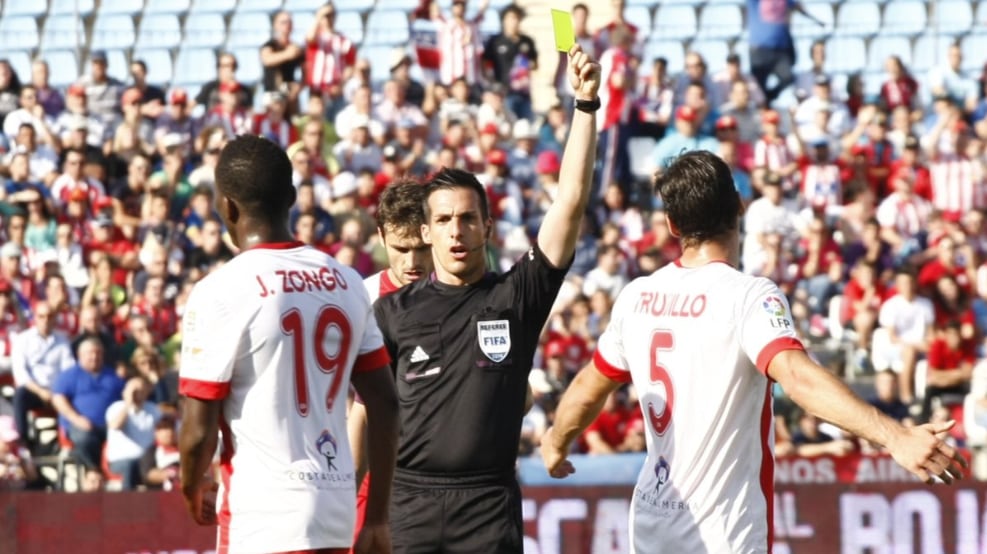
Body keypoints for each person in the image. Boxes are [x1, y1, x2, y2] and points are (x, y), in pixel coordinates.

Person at [540, 150, 967, 553]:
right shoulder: (749, 297)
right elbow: (797, 377)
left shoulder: (637, 296)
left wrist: (557, 441)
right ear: (740, 206)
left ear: (671, 225)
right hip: (724, 529)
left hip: (652, 523)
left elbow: (588, 388)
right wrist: (896, 437)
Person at [373, 44, 599, 553]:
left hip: (488, 507)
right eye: (445, 220)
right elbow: (368, 415)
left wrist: (585, 108)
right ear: (427, 232)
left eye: (468, 218)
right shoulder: (390, 312)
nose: (457, 231)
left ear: (488, 228)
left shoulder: (516, 296)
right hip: (409, 503)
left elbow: (569, 204)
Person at [177, 135, 398, 554]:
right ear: (292, 198)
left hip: (261, 518)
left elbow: (198, 430)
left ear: (227, 205)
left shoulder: (221, 291)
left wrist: (192, 486)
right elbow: (385, 404)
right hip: (335, 511)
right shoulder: (347, 281)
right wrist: (378, 517)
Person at [348, 181, 431, 551]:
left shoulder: (461, 297)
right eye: (401, 248)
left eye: (422, 248)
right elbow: (359, 409)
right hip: (367, 473)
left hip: (438, 479)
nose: (412, 262)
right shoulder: (357, 299)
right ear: (381, 236)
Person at [51, 337, 124, 470]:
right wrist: (76, 419)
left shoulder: (113, 376)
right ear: (80, 355)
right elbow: (58, 399)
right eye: (90, 353)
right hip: (79, 425)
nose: (94, 356)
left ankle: (120, 477)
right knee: (85, 440)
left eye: (98, 353)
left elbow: (124, 398)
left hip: (111, 426)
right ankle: (93, 473)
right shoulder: (69, 375)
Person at [10, 302, 75, 451]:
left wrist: (57, 392)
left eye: (49, 316)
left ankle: (67, 439)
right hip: (33, 390)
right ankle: (23, 441)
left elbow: (68, 369)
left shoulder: (62, 340)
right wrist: (41, 391)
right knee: (20, 396)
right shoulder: (23, 340)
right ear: (35, 318)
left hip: (57, 390)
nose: (45, 320)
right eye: (41, 316)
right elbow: (21, 374)